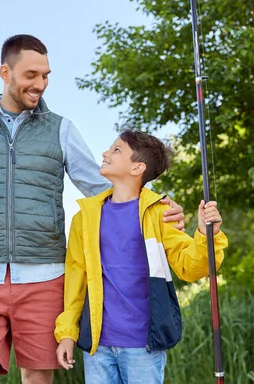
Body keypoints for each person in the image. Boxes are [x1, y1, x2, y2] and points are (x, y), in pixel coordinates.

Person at [0, 34, 186, 384]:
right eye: (31, 75)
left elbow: (109, 189)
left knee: (37, 380)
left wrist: (157, 204)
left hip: (45, 276)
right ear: (5, 73)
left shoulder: (61, 129)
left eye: (46, 76)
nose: (40, 85)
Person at [54, 130, 229, 384]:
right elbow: (75, 279)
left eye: (116, 150)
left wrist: (205, 233)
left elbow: (190, 267)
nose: (105, 153)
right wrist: (68, 332)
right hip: (98, 347)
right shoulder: (85, 217)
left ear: (137, 167)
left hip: (143, 347)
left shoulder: (159, 213)